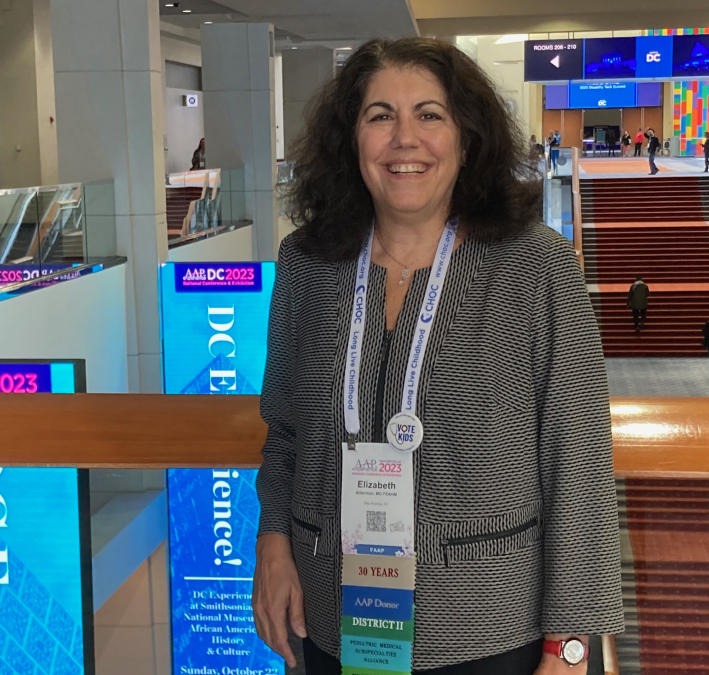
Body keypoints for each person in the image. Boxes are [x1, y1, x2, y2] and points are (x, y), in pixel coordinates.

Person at [254, 37, 623, 675]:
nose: (405, 139)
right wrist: (273, 543)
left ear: (467, 137)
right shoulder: (307, 265)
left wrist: (570, 645)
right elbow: (285, 425)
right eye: (380, 116)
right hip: (332, 618)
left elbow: (578, 460)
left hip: (492, 631)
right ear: (351, 140)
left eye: (429, 114)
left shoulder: (537, 268)